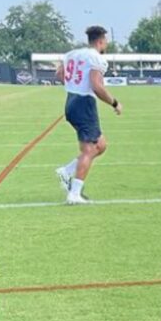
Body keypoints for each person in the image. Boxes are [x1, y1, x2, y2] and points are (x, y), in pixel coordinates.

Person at [55, 25, 122, 204]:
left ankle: (67, 171)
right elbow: (96, 86)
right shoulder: (96, 58)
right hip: (84, 103)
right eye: (105, 40)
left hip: (71, 100)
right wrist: (114, 103)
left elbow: (60, 73)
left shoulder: (72, 54)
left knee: (100, 145)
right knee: (89, 150)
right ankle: (74, 194)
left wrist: (73, 86)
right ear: (101, 41)